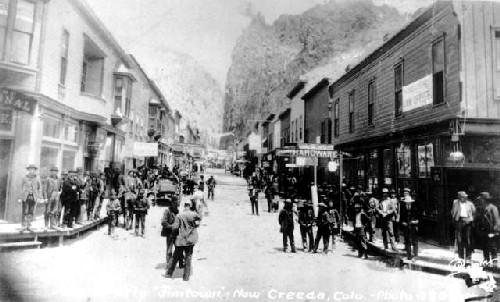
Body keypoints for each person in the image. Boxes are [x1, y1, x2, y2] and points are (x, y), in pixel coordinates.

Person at [166, 199, 201, 281]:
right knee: (188, 257)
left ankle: (169, 273)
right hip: (190, 240)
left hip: (180, 240)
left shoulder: (179, 215)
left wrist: (173, 237)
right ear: (190, 205)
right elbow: (197, 225)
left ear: (184, 206)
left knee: (175, 257)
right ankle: (186, 277)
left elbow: (175, 227)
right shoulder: (194, 215)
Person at [451, 191, 476, 263]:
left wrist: (471, 219)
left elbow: (474, 213)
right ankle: (461, 257)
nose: (465, 198)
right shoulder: (455, 202)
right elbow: (452, 212)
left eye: (465, 197)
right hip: (459, 221)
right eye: (463, 197)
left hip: (468, 222)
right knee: (459, 241)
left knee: (468, 240)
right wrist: (455, 218)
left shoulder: (470, 204)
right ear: (459, 197)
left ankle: (468, 258)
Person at [399, 188, 419, 260]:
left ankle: (415, 255)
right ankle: (409, 256)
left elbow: (419, 219)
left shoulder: (415, 209)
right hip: (406, 227)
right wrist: (403, 223)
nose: (408, 204)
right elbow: (401, 219)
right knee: (407, 241)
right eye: (406, 203)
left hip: (413, 227)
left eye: (409, 203)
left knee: (415, 241)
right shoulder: (403, 209)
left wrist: (415, 222)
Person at [480, 193, 500, 265]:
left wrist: (494, 232)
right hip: (484, 231)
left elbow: (497, 220)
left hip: (491, 231)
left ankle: (494, 264)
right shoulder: (483, 208)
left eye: (481, 199)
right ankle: (487, 262)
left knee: (493, 248)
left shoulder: (493, 208)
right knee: (485, 247)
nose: (480, 201)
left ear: (485, 200)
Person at [20, 164, 42, 230]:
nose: (31, 171)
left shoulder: (37, 178)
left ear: (35, 171)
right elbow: (21, 187)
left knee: (31, 211)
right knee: (25, 211)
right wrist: (20, 197)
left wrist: (39, 197)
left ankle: (29, 224)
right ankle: (24, 225)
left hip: (33, 197)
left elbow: (39, 188)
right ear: (28, 170)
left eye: (33, 169)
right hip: (25, 197)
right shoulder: (24, 178)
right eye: (30, 169)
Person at [161, 199, 179, 267]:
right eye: (175, 204)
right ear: (171, 204)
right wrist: (171, 226)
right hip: (170, 233)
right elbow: (163, 222)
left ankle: (175, 262)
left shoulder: (177, 211)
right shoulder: (167, 211)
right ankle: (169, 264)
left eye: (177, 204)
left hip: (177, 233)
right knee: (169, 249)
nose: (176, 205)